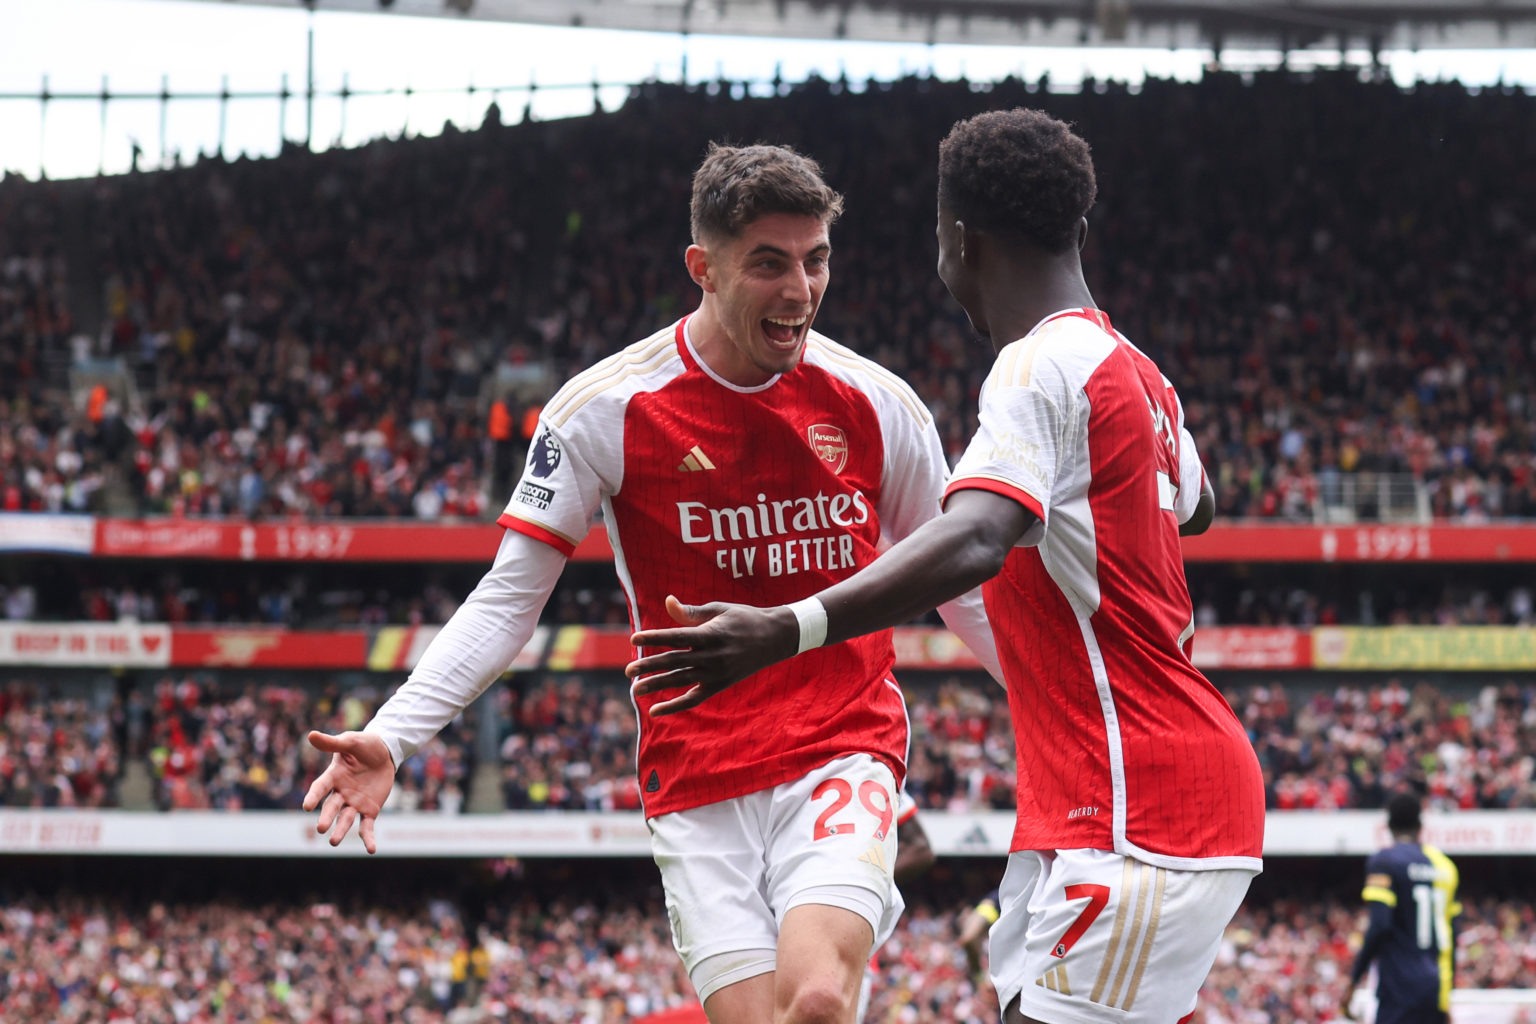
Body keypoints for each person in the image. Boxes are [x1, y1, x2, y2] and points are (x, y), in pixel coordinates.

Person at [302, 141, 1000, 1024]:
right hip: (697, 777)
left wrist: (1080, 704)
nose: (801, 291)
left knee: (819, 998)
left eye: (816, 260)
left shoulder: (876, 403)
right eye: (770, 264)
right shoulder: (605, 408)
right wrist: (393, 736)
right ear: (701, 268)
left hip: (841, 745)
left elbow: (961, 583)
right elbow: (511, 599)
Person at [626, 108, 1266, 1024]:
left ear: (955, 242)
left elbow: (976, 536)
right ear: (1077, 230)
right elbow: (1197, 503)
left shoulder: (1036, 366)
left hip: (1141, 808)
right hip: (1107, 802)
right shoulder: (1136, 373)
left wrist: (790, 626)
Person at [1342, 793, 1460, 1024]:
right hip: (1434, 988)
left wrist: (1354, 979)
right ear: (1420, 825)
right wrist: (1445, 998)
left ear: (1388, 825)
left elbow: (1380, 925)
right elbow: (1451, 937)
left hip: (1398, 988)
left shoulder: (1384, 862)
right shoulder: (1446, 867)